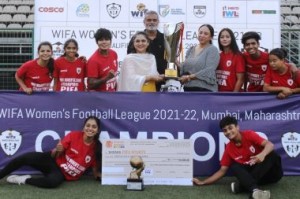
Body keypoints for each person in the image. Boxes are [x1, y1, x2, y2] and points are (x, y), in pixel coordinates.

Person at [193, 116, 283, 199]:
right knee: (235, 166)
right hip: (256, 177)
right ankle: (255, 191)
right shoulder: (229, 148)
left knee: (272, 155)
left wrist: (262, 155)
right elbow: (222, 171)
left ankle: (240, 186)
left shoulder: (249, 134)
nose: (228, 132)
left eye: (230, 128)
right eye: (225, 130)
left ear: (237, 127)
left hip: (272, 174)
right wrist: (203, 182)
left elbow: (270, 145)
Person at [0, 116, 102, 188]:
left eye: (94, 127)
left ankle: (23, 180)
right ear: (83, 127)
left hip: (61, 173)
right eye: (88, 125)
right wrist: (58, 150)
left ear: (97, 130)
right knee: (24, 158)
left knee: (52, 183)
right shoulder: (73, 135)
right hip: (51, 160)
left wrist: (99, 176)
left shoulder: (96, 148)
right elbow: (54, 155)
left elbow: (95, 170)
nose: (90, 128)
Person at [179, 24, 220, 91]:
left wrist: (189, 77)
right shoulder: (191, 49)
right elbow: (184, 68)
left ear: (211, 37)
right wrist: (174, 60)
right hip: (188, 89)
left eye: (206, 34)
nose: (202, 35)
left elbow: (209, 70)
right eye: (200, 32)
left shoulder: (212, 49)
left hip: (205, 90)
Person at [142, 10, 168, 91]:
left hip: (163, 81)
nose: (152, 22)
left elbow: (171, 59)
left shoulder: (166, 39)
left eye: (154, 20)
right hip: (144, 82)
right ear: (144, 22)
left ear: (158, 22)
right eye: (149, 20)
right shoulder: (137, 39)